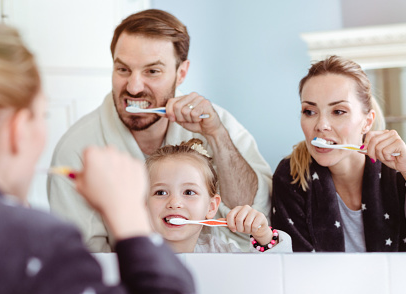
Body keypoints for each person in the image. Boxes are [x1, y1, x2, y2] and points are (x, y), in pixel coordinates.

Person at [0, 16, 212, 294]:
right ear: (18, 130)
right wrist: (131, 220)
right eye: (42, 116)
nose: (134, 85)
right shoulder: (33, 243)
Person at [48, 9, 272, 252]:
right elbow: (85, 257)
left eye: (152, 71)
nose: (133, 88)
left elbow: (255, 211)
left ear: (181, 73)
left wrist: (216, 136)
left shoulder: (218, 124)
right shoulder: (77, 150)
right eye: (123, 70)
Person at [271, 55, 406, 252]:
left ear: (367, 122)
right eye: (310, 111)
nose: (321, 125)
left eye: (338, 111)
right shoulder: (291, 177)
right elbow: (293, 266)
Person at [146, 138, 291, 253]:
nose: (175, 202)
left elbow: (272, 275)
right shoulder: (126, 257)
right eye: (161, 192)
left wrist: (264, 237)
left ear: (211, 207)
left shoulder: (220, 253)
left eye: (189, 192)